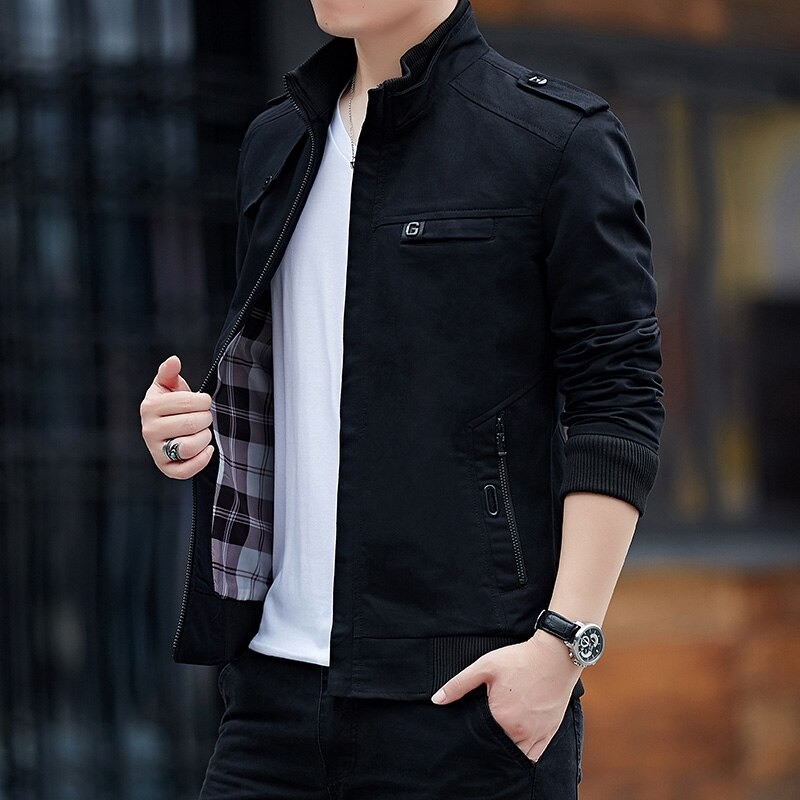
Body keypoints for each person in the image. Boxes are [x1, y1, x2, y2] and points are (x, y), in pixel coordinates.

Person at [139, 0, 665, 797]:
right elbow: (290, 379)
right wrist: (186, 428)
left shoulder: (556, 139)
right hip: (270, 701)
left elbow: (618, 400)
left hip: (465, 705)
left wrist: (563, 646)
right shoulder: (278, 140)